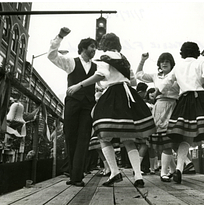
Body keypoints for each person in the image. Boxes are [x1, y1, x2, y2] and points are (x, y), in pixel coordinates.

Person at [67, 33, 156, 188]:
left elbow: (101, 74)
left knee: (102, 134)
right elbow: (133, 81)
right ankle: (138, 176)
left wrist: (79, 85)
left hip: (113, 96)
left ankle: (114, 172)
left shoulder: (105, 56)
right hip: (128, 95)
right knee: (128, 138)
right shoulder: (124, 58)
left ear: (105, 44)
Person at [157, 42, 204, 184]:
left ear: (182, 53)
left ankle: (178, 169)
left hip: (184, 101)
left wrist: (158, 90)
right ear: (197, 51)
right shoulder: (201, 61)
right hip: (201, 99)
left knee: (187, 137)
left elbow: (165, 82)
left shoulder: (178, 66)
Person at [47, 27, 98, 187]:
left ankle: (76, 177)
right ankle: (71, 171)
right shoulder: (71, 62)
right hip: (73, 104)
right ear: (83, 48)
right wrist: (60, 36)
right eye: (92, 47)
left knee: (84, 139)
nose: (94, 50)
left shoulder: (97, 67)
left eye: (95, 47)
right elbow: (52, 55)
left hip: (88, 105)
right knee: (70, 137)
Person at [136, 52, 178, 182]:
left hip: (174, 107)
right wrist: (143, 60)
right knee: (164, 142)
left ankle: (167, 171)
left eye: (167, 61)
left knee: (168, 141)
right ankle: (170, 171)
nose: (164, 63)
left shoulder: (177, 75)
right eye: (162, 61)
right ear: (159, 64)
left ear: (172, 63)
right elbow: (138, 75)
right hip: (160, 107)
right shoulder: (156, 76)